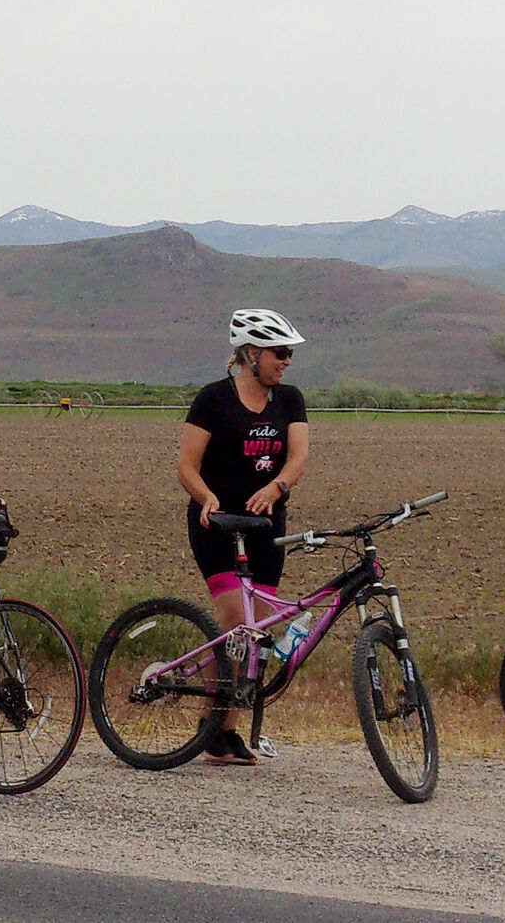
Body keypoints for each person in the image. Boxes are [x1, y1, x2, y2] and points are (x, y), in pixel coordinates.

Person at [177, 308, 311, 765]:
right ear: (251, 354)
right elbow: (187, 466)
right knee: (236, 620)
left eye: (290, 353)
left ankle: (224, 730)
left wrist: (277, 487)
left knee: (257, 628)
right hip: (217, 523)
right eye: (281, 353)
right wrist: (206, 497)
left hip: (265, 525)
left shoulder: (289, 399)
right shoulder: (213, 399)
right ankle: (213, 723)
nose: (287, 361)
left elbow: (298, 456)